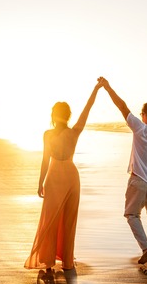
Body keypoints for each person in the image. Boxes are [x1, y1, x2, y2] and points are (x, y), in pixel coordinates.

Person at [24, 81, 103, 270]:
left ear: (53, 115)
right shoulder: (74, 132)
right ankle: (67, 263)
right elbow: (87, 109)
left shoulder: (47, 134)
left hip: (53, 176)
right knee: (69, 220)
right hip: (71, 177)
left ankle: (49, 263)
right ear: (68, 116)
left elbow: (44, 161)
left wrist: (40, 183)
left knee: (50, 219)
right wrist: (96, 89)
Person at [98, 76, 147, 265]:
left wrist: (107, 87)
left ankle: (146, 247)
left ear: (144, 114)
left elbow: (122, 106)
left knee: (132, 215)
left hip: (138, 180)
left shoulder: (139, 127)